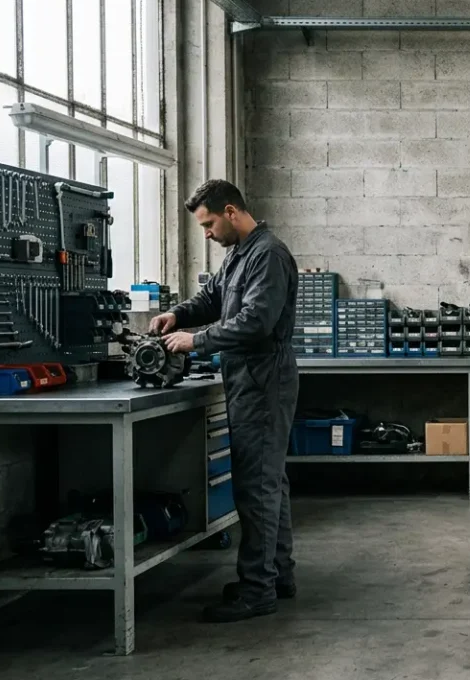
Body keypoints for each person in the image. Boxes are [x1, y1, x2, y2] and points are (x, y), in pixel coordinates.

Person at [151, 179, 299, 623]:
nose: (208, 233)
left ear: (231, 212)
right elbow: (213, 297)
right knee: (270, 482)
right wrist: (178, 313)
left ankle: (257, 591)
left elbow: (255, 321)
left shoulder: (268, 254)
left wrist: (195, 340)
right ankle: (277, 575)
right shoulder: (238, 255)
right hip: (247, 378)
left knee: (256, 486)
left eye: (210, 223)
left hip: (263, 380)